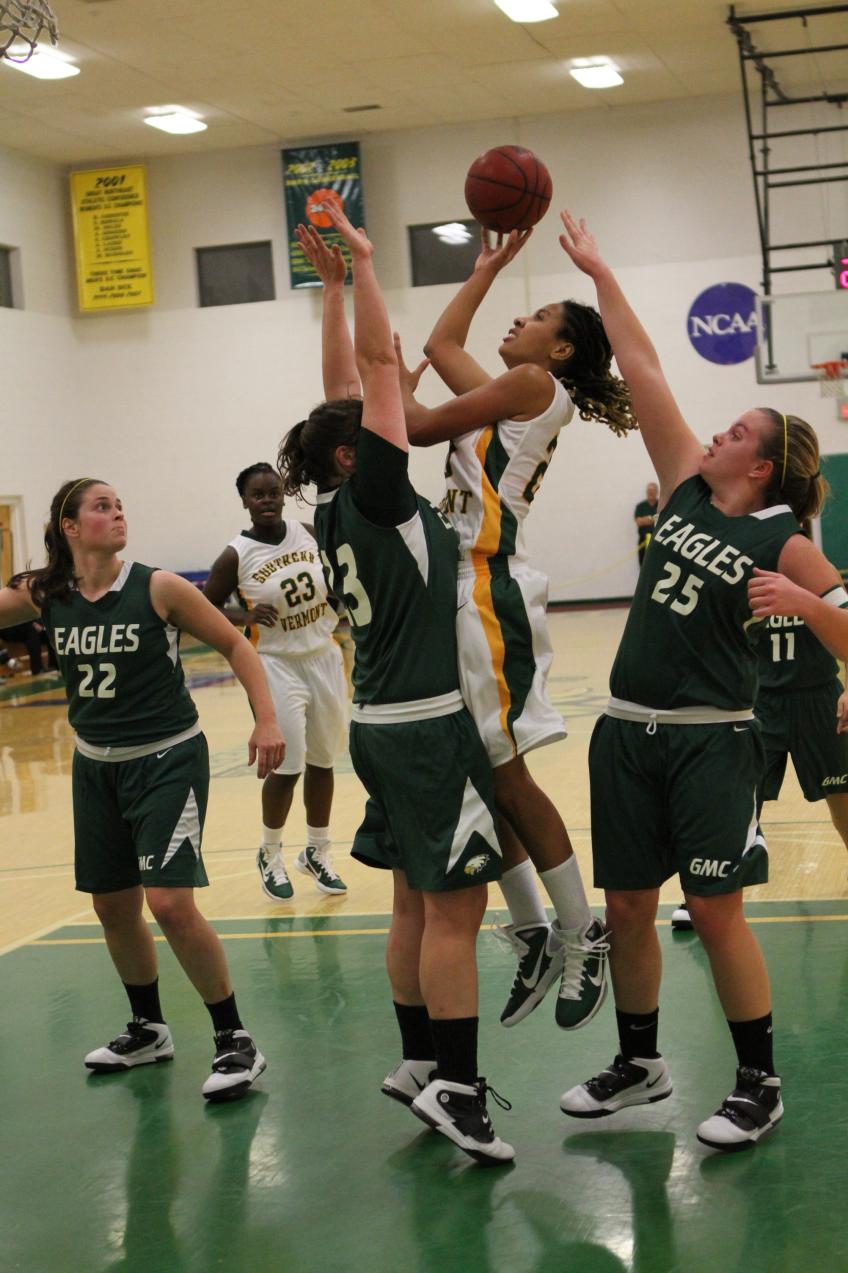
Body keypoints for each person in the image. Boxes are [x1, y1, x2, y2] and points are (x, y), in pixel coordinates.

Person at [555, 209, 848, 1152]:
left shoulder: (784, 540)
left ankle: (758, 1081)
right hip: (626, 732)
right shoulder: (682, 484)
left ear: (759, 465)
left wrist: (808, 611)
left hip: (714, 740)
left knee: (717, 911)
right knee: (630, 907)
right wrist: (601, 271)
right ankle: (640, 1064)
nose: (712, 433)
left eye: (734, 430)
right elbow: (641, 367)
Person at [278, 210, 513, 1166]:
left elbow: (346, 384)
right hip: (421, 725)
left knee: (413, 902)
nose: (400, 403)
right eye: (383, 418)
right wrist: (367, 266)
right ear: (355, 452)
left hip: (378, 715)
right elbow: (375, 369)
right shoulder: (376, 490)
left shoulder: (339, 504)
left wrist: (329, 290)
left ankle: (419, 1061)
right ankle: (458, 1086)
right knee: (456, 910)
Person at [395, 225, 636, 1031]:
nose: (517, 322)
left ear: (559, 348)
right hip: (458, 586)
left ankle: (579, 928)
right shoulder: (510, 391)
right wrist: (486, 268)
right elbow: (441, 342)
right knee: (476, 767)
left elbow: (418, 424)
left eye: (533, 314)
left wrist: (382, 387)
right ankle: (535, 928)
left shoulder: (531, 384)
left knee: (504, 773)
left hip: (487, 586)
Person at [0, 478, 285, 1101]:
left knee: (171, 903)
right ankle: (149, 1028)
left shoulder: (158, 587)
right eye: (102, 506)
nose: (118, 512)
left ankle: (235, 1038)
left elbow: (237, 643)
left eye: (121, 503)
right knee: (112, 906)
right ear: (71, 527)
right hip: (94, 765)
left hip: (166, 759)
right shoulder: (49, 593)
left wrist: (266, 718)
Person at [672, 537, 848, 933]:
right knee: (739, 798)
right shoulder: (742, 575)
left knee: (842, 798)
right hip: (760, 702)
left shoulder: (817, 574)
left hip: (818, 699)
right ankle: (709, 888)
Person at [203, 462, 349, 901]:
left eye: (272, 492)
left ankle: (317, 851)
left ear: (284, 493)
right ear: (245, 501)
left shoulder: (308, 532)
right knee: (288, 765)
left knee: (324, 761)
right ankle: (270, 853)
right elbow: (203, 607)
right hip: (274, 664)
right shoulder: (236, 554)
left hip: (323, 655)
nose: (266, 500)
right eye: (257, 495)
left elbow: (337, 576)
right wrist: (242, 616)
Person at [634, 481, 659, 567]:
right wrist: (653, 519)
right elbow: (639, 522)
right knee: (644, 566)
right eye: (649, 491)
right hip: (643, 541)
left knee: (657, 565)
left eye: (653, 491)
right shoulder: (641, 506)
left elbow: (663, 520)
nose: (651, 493)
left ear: (657, 492)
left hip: (658, 541)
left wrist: (647, 519)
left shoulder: (661, 505)